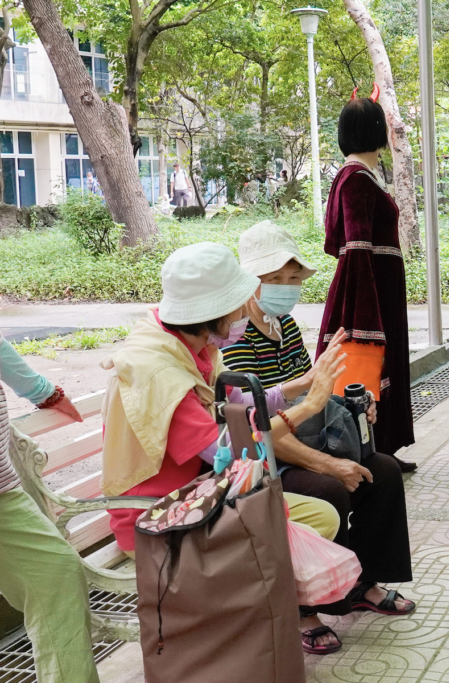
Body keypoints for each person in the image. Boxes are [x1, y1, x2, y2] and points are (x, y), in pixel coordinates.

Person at [101, 242, 352, 655]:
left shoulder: (193, 349)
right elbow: (232, 447)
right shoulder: (160, 372)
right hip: (161, 519)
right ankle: (247, 632)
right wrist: (309, 406)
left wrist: (302, 384)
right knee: (306, 519)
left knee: (319, 514)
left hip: (199, 495)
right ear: (213, 313)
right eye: (237, 304)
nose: (242, 313)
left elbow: (239, 406)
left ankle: (261, 624)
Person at [223, 220, 416, 622]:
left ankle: (363, 582)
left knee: (381, 470)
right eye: (275, 277)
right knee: (329, 487)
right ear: (249, 281)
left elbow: (315, 399)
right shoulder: (235, 335)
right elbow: (257, 425)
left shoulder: (286, 326)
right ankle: (311, 606)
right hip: (260, 457)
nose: (286, 285)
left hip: (297, 440)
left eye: (293, 278)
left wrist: (352, 409)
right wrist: (327, 463)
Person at [317, 95, 416, 458]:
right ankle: (373, 452)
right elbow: (356, 247)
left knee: (385, 365)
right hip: (373, 288)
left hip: (379, 284)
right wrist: (365, 310)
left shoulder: (357, 175)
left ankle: (385, 449)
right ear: (377, 132)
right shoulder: (357, 179)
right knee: (374, 365)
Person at [0, 335, 99, 683]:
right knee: (57, 577)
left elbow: (6, 357)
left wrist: (48, 394)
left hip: (5, 497)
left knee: (56, 578)